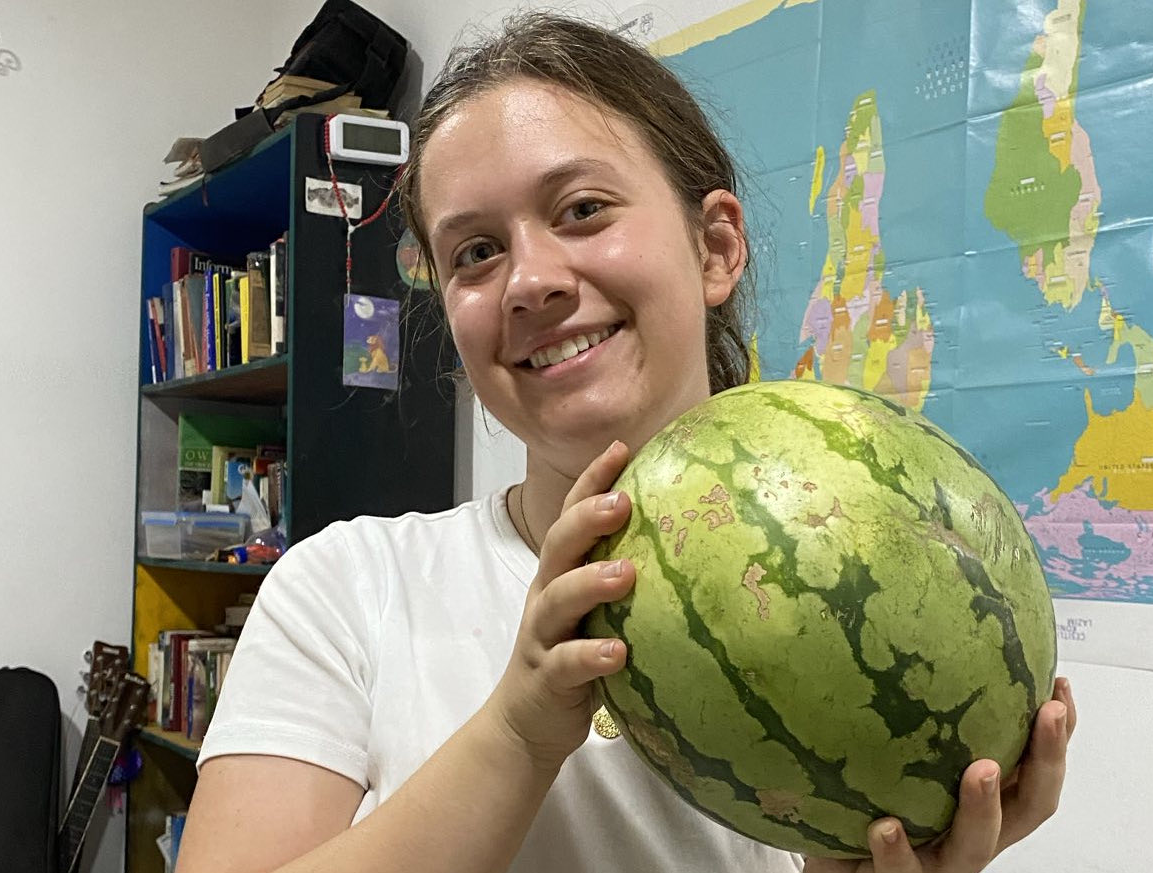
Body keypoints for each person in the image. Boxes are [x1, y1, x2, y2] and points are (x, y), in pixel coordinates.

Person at [176, 12, 1076, 873]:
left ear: (716, 245)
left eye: (581, 210)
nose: (529, 281)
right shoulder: (347, 589)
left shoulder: (864, 545)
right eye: (476, 252)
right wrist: (516, 734)